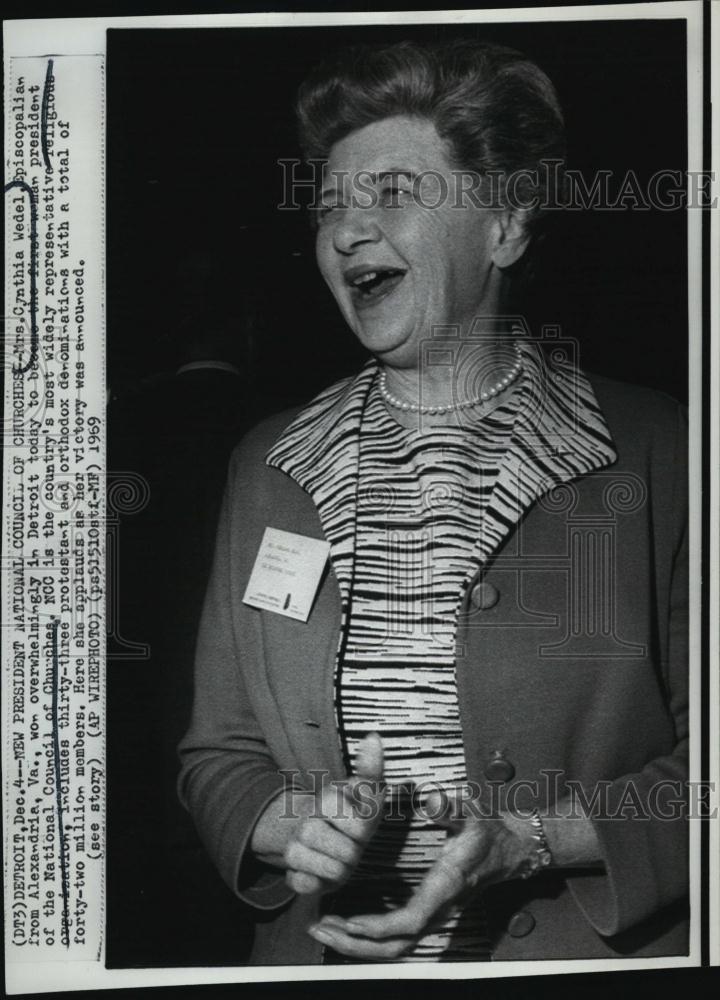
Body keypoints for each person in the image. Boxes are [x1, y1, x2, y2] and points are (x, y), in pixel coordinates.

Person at [178, 39, 688, 964]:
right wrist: (288, 825)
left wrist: (532, 840)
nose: (344, 232)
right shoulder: (267, 467)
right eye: (330, 206)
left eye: (394, 196)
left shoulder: (666, 453)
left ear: (505, 226)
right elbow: (216, 753)